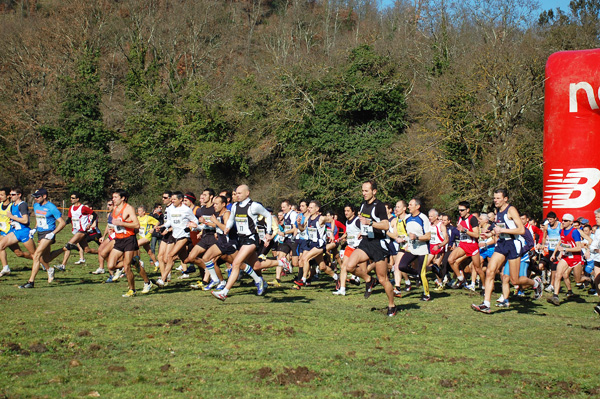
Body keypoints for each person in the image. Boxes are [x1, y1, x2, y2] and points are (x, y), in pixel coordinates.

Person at [472, 189, 543, 314]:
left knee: (514, 280)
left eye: (498, 198)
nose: (495, 200)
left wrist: (502, 231)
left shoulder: (511, 210)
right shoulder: (497, 212)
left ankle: (535, 283)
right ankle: (486, 304)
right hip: (502, 244)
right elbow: (501, 228)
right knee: (490, 271)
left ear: (505, 199)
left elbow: (521, 230)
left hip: (513, 244)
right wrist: (490, 233)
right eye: (494, 198)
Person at [338, 180, 396, 316]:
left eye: (366, 191)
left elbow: (386, 226)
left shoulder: (380, 206)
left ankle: (392, 305)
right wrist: (362, 231)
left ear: (374, 191)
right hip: (365, 241)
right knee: (349, 266)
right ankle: (370, 280)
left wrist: (370, 223)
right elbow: (364, 223)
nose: (363, 193)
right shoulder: (363, 205)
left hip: (378, 244)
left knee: (383, 279)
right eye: (362, 190)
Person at [211, 185, 273, 301]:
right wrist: (228, 227)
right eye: (236, 193)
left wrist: (269, 232)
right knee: (256, 265)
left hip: (251, 239)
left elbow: (268, 215)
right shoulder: (235, 206)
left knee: (236, 264)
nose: (237, 195)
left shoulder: (254, 206)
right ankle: (278, 264)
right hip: (241, 240)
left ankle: (224, 292)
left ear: (247, 193)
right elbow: (231, 219)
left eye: (239, 193)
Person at [106, 189, 152, 297]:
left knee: (127, 267)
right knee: (111, 266)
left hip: (129, 239)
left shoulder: (129, 208)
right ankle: (133, 261)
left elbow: (136, 225)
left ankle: (132, 290)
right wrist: (114, 229)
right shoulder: (115, 209)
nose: (113, 199)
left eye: (115, 197)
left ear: (123, 198)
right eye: (113, 197)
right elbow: (117, 224)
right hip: (118, 240)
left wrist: (121, 223)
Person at [18, 188, 66, 288]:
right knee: (46, 258)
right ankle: (65, 248)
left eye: (38, 197)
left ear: (44, 196)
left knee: (36, 255)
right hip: (40, 233)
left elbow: (62, 223)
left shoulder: (51, 207)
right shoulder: (36, 206)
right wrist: (34, 229)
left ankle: (31, 282)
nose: (36, 199)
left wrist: (53, 233)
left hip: (48, 233)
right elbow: (38, 219)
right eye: (35, 197)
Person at [156, 191, 199, 287]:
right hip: (175, 236)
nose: (172, 200)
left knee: (170, 256)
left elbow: (195, 221)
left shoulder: (186, 209)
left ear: (180, 200)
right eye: (172, 199)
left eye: (174, 199)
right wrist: (163, 227)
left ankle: (163, 280)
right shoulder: (171, 209)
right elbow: (170, 221)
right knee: (186, 259)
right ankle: (205, 266)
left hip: (184, 236)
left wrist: (191, 227)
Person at [396, 198, 432, 301]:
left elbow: (428, 236)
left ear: (417, 206)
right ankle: (416, 274)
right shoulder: (407, 218)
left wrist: (417, 237)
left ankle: (427, 294)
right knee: (402, 266)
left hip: (422, 249)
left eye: (411, 205)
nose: (409, 207)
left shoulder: (423, 218)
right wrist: (403, 239)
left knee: (422, 273)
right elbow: (408, 235)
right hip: (411, 248)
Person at [547, 213, 583, 306]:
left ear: (571, 222)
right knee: (559, 274)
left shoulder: (575, 232)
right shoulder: (561, 231)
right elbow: (561, 242)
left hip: (576, 258)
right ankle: (555, 296)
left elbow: (579, 248)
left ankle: (588, 280)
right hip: (566, 257)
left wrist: (565, 249)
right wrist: (557, 253)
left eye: (565, 221)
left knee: (578, 280)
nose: (563, 222)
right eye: (562, 220)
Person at [0, 187, 36, 277]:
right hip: (5, 232)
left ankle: (41, 261)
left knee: (22, 253)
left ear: (8, 196)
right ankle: (5, 268)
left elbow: (24, 219)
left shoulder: (13, 206)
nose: (0, 197)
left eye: (2, 195)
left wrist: (12, 219)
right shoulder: (1, 205)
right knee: (18, 253)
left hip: (11, 232)